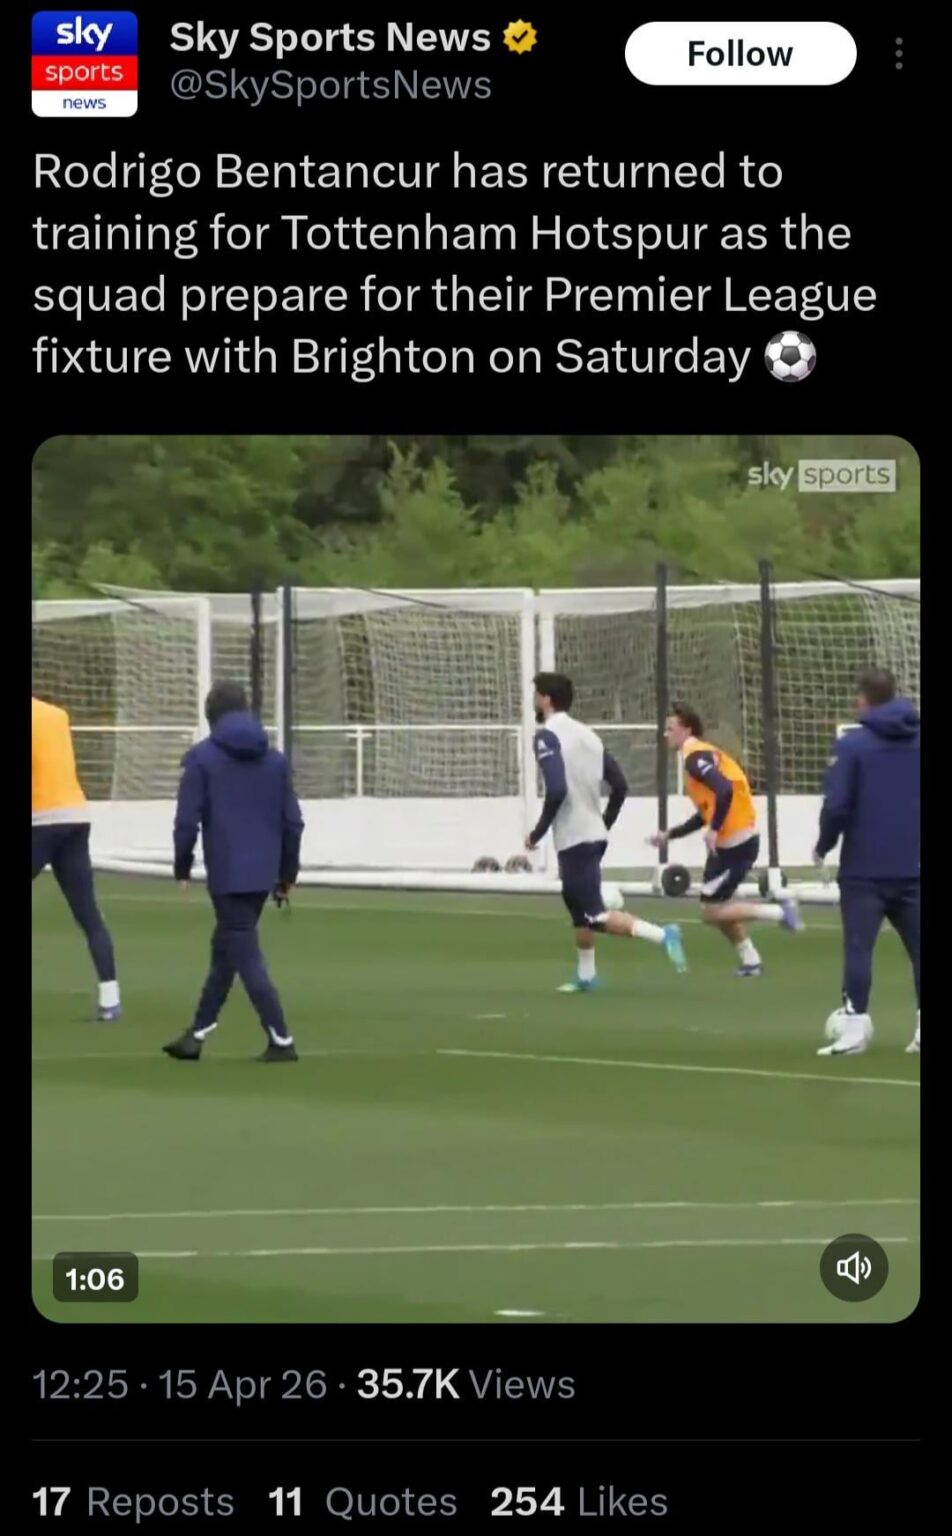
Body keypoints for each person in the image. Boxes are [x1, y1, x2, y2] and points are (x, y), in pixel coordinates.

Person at [163, 681, 304, 1063]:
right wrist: (287, 874)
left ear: (212, 716)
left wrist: (181, 865)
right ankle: (196, 1034)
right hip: (262, 876)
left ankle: (281, 1037)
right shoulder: (275, 762)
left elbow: (186, 822)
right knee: (225, 950)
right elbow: (293, 823)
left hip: (226, 873)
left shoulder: (201, 759)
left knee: (244, 952)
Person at [526, 672, 686, 992]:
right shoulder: (589, 736)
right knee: (576, 905)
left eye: (536, 693)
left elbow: (556, 790)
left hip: (576, 837)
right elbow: (620, 786)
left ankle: (662, 934)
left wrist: (537, 833)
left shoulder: (547, 736)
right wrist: (604, 823)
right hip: (591, 834)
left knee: (594, 915)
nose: (533, 699)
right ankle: (587, 976)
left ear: (545, 698)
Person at [814, 667, 920, 1057]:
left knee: (859, 948)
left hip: (865, 868)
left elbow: (837, 805)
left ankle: (855, 1029)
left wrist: (823, 845)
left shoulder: (853, 746)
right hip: (913, 864)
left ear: (863, 698)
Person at [650, 704, 802, 974]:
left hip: (736, 843)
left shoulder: (695, 758)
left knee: (710, 912)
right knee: (717, 907)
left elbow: (724, 791)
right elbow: (706, 811)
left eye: (670, 728)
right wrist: (670, 835)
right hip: (731, 841)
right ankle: (750, 960)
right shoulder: (701, 756)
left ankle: (780, 913)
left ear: (687, 729)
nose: (666, 734)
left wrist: (715, 829)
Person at [32, 695, 121, 1021]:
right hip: (75, 817)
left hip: (40, 821)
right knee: (88, 914)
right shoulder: (57, 715)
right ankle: (110, 999)